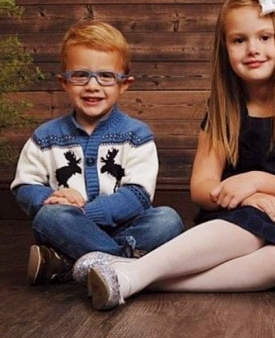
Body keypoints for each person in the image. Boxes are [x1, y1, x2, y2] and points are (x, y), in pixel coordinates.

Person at [73, 0, 275, 310]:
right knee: (251, 222)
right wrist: (248, 195)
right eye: (239, 40)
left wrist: (255, 180)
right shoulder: (223, 111)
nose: (253, 49)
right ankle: (129, 278)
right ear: (224, 48)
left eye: (265, 37)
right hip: (235, 219)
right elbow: (201, 188)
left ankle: (133, 273)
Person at [10, 20, 184, 285]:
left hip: (127, 226)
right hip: (69, 226)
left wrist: (86, 212)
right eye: (80, 75)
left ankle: (68, 264)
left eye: (106, 76)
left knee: (167, 219)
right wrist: (53, 198)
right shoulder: (46, 137)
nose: (92, 85)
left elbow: (138, 195)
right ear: (63, 82)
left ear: (124, 84)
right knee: (49, 216)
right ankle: (124, 267)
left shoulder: (136, 135)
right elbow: (24, 186)